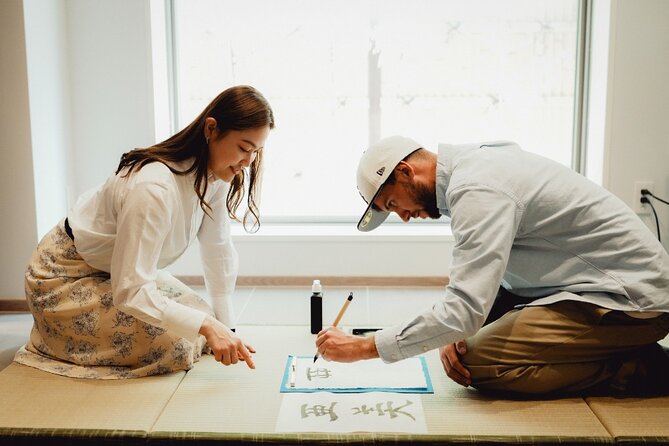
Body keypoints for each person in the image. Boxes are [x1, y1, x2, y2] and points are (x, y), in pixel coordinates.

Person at [316, 135, 669, 396]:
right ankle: (615, 349)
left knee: (478, 363)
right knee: (463, 336)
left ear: (406, 172)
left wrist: (363, 347)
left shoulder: (477, 189)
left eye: (394, 203)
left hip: (632, 302)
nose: (404, 217)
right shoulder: (476, 166)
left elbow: (463, 310)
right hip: (590, 289)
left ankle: (640, 368)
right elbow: (479, 292)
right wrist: (451, 329)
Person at [15, 85, 274, 379]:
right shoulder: (154, 188)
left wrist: (226, 327)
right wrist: (208, 328)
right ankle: (52, 336)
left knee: (204, 324)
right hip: (64, 276)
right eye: (243, 147)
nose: (248, 162)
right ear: (211, 129)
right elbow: (133, 291)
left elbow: (218, 250)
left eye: (255, 152)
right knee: (178, 345)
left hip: (114, 273)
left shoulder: (215, 177)